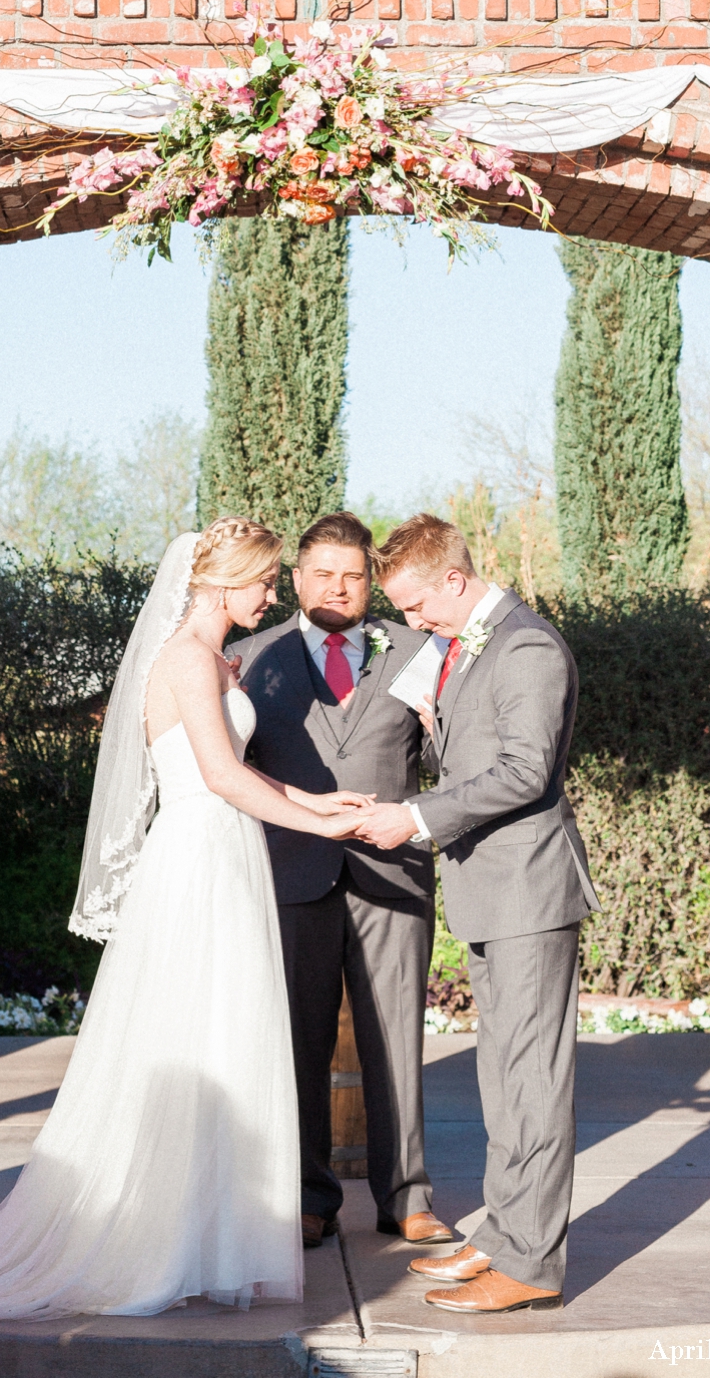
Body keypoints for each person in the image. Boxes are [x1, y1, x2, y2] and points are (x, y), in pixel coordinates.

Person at [0, 517, 371, 1371]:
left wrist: (327, 807)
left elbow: (234, 768)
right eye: (263, 581)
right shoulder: (189, 661)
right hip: (199, 859)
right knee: (192, 1042)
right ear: (223, 582)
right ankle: (157, 1242)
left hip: (221, 851)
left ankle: (203, 1240)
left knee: (223, 1047)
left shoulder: (208, 660)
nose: (271, 596)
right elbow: (221, 778)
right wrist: (318, 814)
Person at [357, 514, 601, 1315]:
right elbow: (473, 756)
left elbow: (526, 771)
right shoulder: (469, 646)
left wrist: (417, 816)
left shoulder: (525, 647)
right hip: (491, 891)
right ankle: (501, 1233)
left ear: (454, 580)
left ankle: (532, 1259)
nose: (412, 622)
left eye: (418, 604)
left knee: (531, 1077)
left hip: (527, 890)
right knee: (502, 1076)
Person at [230, 512, 452, 1251]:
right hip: (292, 874)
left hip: (393, 872)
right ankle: (307, 1194)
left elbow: (450, 760)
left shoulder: (419, 651)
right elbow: (232, 767)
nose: (337, 586)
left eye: (352, 575)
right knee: (299, 1041)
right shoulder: (250, 656)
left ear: (370, 583)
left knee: (396, 1039)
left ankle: (406, 1195)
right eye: (322, 573)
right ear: (294, 578)